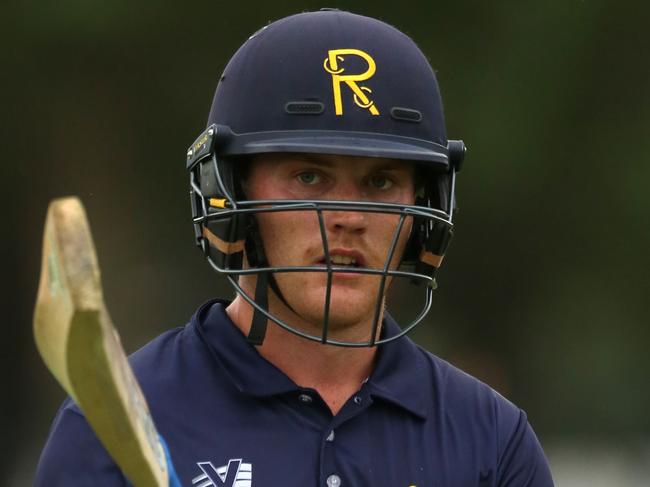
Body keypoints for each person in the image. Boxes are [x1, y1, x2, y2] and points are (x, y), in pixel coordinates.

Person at [36, 9, 554, 486]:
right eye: (310, 177)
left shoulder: (491, 441)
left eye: (380, 183)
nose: (350, 219)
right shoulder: (110, 425)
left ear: (423, 209)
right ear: (231, 195)